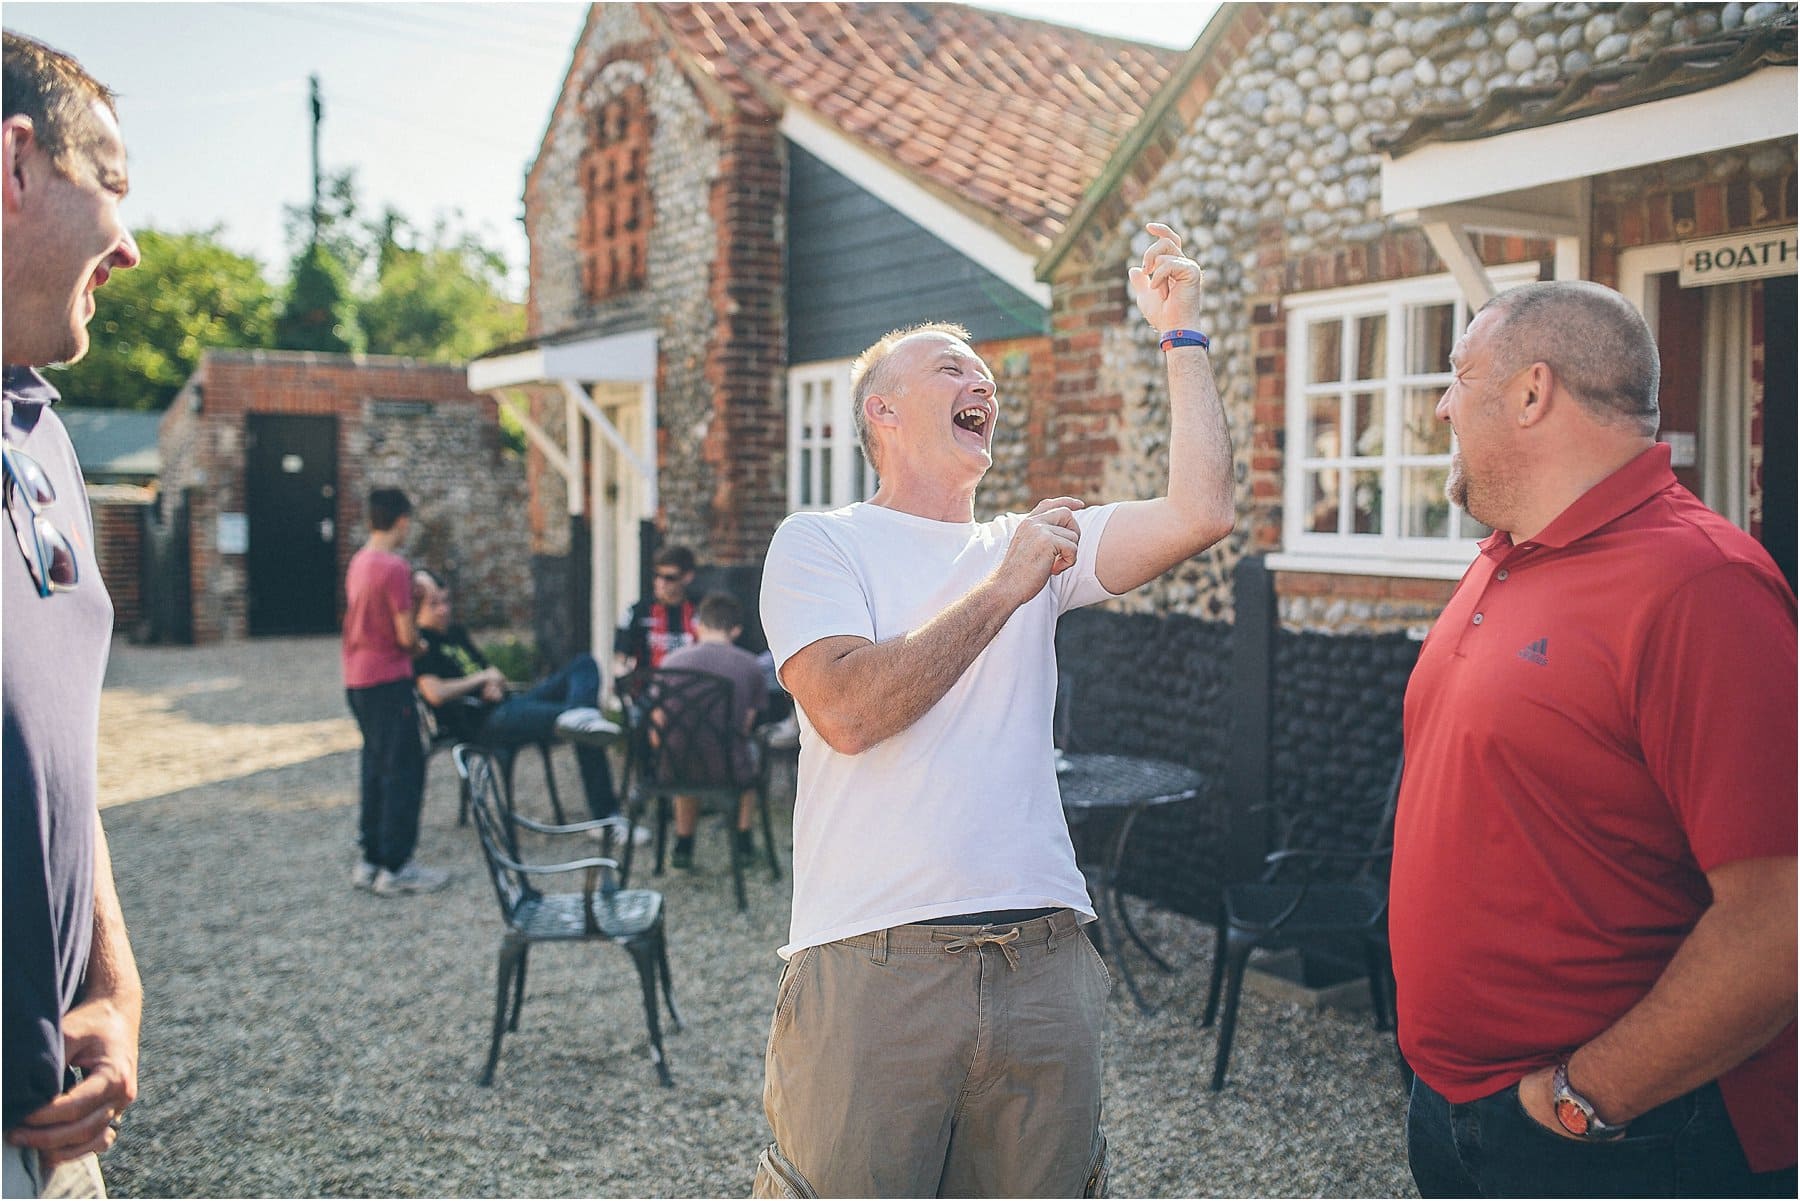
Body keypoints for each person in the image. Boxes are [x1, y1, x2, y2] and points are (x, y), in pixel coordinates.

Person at [753, 222, 1232, 1196]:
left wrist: (1182, 332)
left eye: (986, 375)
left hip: (1043, 961)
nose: (983, 384)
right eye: (951, 368)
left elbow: (1200, 512)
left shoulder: (1034, 544)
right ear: (882, 411)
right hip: (872, 962)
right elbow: (847, 708)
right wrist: (1006, 588)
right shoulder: (821, 544)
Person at [1390, 280, 1797, 1197]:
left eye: (1458, 376)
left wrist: (1584, 1100)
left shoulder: (1702, 585)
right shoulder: (1504, 553)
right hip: (1456, 1109)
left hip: (1622, 1140)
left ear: (1533, 393)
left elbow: (1779, 923)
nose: (1441, 404)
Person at [2, 30, 145, 1199]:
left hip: (55, 1140)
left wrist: (108, 980)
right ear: (14, 165)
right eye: (112, 182)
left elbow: (58, 763)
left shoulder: (43, 438)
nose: (132, 246)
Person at [411, 569, 635, 840]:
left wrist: (493, 682)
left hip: (507, 704)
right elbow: (434, 693)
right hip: (482, 723)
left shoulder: (455, 633)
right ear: (416, 610)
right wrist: (481, 679)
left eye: (446, 601)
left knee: (584, 664)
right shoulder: (422, 645)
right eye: (434, 604)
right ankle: (605, 817)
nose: (444, 610)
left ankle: (582, 715)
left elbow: (490, 670)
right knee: (583, 726)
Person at [343, 488, 448, 898]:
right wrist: (423, 646)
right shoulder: (395, 567)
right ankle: (398, 865)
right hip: (389, 679)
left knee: (374, 767)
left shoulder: (359, 562)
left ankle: (370, 858)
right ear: (402, 520)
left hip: (357, 679)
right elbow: (405, 636)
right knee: (405, 770)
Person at [658, 591, 769, 869]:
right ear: (736, 630)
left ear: (699, 625)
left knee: (687, 748)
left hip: (673, 767)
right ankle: (743, 840)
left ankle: (684, 843)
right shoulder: (750, 666)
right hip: (728, 768)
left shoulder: (671, 662)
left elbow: (659, 719)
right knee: (750, 749)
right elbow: (746, 725)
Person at [613, 543, 699, 686]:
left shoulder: (699, 610)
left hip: (691, 693)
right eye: (657, 576)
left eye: (669, 578)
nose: (660, 583)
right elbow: (620, 657)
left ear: (687, 577)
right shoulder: (637, 612)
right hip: (646, 694)